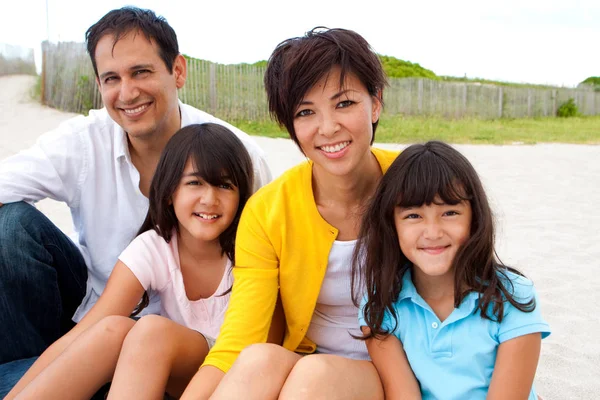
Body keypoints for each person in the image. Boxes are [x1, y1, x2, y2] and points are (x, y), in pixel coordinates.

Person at [0, 7, 271, 397]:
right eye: (112, 78)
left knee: (142, 340)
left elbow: (275, 265)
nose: (127, 93)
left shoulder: (234, 153)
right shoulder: (85, 144)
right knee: (9, 225)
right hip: (99, 323)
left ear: (177, 71)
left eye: (141, 72)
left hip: (198, 356)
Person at [181, 27, 395, 399]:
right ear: (289, 124)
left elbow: (479, 290)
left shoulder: (420, 181)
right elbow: (239, 339)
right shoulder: (268, 210)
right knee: (258, 359)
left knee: (313, 376)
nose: (328, 128)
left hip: (400, 372)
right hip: (308, 365)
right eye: (306, 112)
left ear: (375, 103)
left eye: (344, 103)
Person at [6, 123, 259, 399]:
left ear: (241, 195)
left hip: (238, 373)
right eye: (195, 183)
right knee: (112, 328)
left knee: (152, 330)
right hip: (176, 375)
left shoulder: (252, 249)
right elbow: (83, 334)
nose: (209, 199)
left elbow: (264, 347)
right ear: (170, 192)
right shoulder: (156, 247)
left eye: (224, 185)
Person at [355, 141, 551, 399]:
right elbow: (404, 395)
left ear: (475, 218)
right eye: (413, 216)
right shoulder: (381, 307)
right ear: (391, 225)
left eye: (449, 212)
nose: (433, 232)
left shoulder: (513, 298)